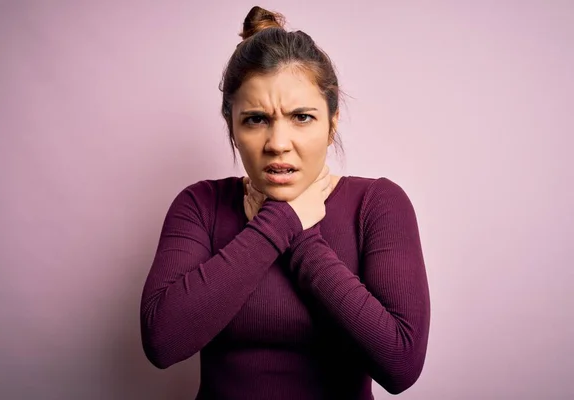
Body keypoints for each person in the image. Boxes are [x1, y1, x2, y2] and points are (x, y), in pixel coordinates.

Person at [140, 6, 430, 400]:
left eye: (302, 117)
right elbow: (163, 342)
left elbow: (400, 365)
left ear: (332, 123)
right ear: (232, 126)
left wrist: (302, 237)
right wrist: (279, 223)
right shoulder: (201, 204)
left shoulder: (376, 204)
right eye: (256, 119)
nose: (278, 143)